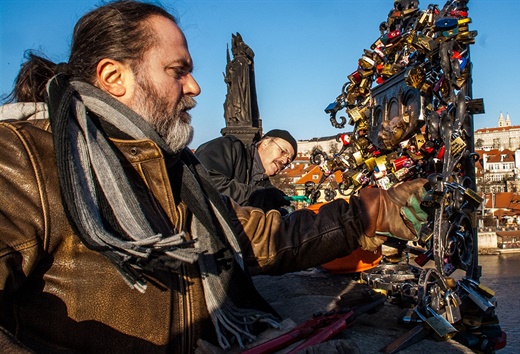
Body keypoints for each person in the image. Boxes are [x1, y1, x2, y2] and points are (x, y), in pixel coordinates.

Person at [0, 1, 428, 352]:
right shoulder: (21, 156)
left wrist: (371, 212)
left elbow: (254, 239)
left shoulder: (171, 167)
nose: (196, 87)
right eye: (177, 70)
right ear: (114, 78)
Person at [195, 129, 297, 212]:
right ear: (265, 143)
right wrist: (260, 196)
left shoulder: (264, 186)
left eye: (288, 161)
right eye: (283, 151)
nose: (284, 161)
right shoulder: (229, 146)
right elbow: (207, 184)